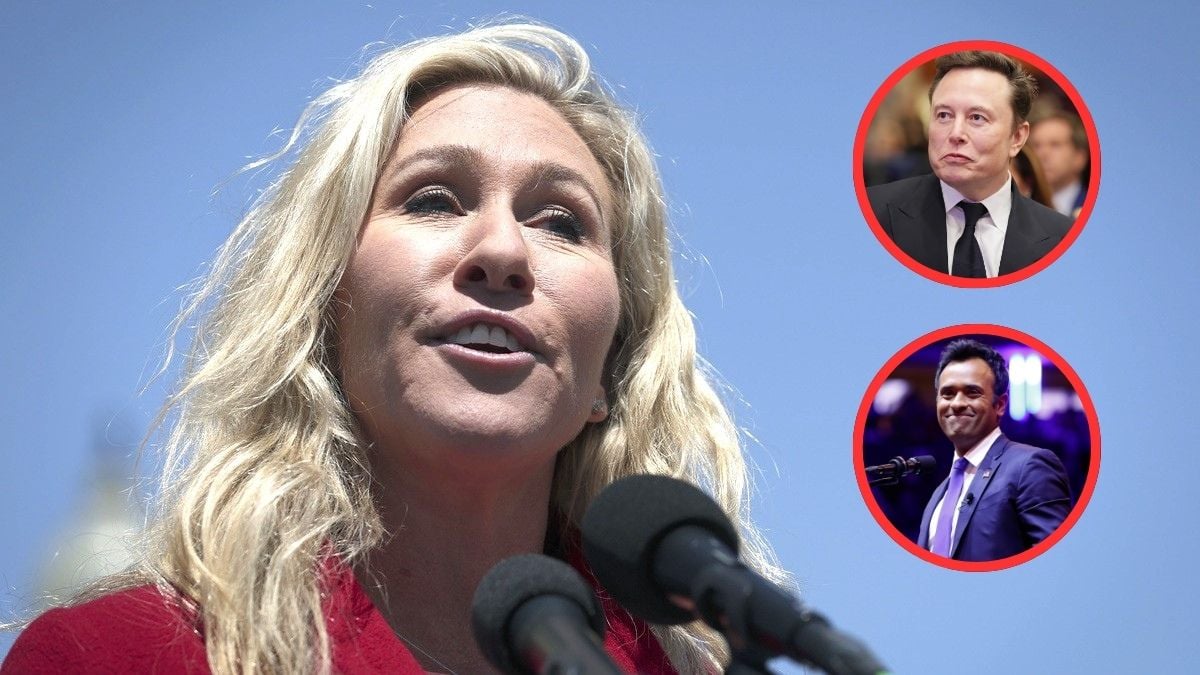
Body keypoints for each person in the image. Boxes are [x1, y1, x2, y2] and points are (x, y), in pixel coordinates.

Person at [2, 23, 785, 674]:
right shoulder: (114, 655)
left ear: (608, 371)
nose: (504, 249)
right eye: (434, 199)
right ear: (322, 309)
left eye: (560, 221)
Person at [867, 51, 1073, 279]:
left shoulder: (1063, 237)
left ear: (1017, 137)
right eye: (944, 115)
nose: (955, 134)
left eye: (977, 118)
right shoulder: (871, 213)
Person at [915, 340, 1072, 562]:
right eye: (947, 394)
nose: (957, 403)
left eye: (972, 392)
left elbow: (1055, 562)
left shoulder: (1030, 466)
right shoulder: (940, 493)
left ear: (999, 405)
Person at [1030, 111, 1089, 218]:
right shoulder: (1018, 209)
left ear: (1080, 157)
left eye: (1055, 145)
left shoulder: (1095, 208)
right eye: (1036, 146)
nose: (1042, 154)